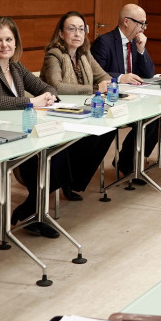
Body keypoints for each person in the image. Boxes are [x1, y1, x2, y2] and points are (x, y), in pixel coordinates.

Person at [0, 16, 61, 238]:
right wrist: (32, 101)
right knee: (46, 161)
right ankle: (32, 214)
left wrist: (49, 96)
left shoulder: (16, 67)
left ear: (16, 42)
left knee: (59, 156)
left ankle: (28, 212)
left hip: (21, 132)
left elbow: (45, 86)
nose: (4, 45)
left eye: (9, 39)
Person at [40, 11, 118, 200]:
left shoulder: (84, 54)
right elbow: (57, 86)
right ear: (61, 33)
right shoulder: (54, 55)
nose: (77, 34)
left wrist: (109, 84)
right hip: (56, 113)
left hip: (81, 110)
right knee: (88, 134)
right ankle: (67, 180)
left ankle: (74, 181)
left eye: (81, 29)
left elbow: (104, 77)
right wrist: (93, 89)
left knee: (108, 130)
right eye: (72, 29)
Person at [90, 4, 157, 182]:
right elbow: (95, 72)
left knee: (160, 116)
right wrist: (121, 77)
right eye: (141, 23)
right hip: (111, 99)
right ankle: (128, 163)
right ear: (126, 21)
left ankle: (127, 160)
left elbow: (149, 73)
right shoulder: (104, 42)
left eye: (145, 24)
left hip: (134, 97)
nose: (143, 28)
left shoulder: (135, 41)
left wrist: (142, 49)